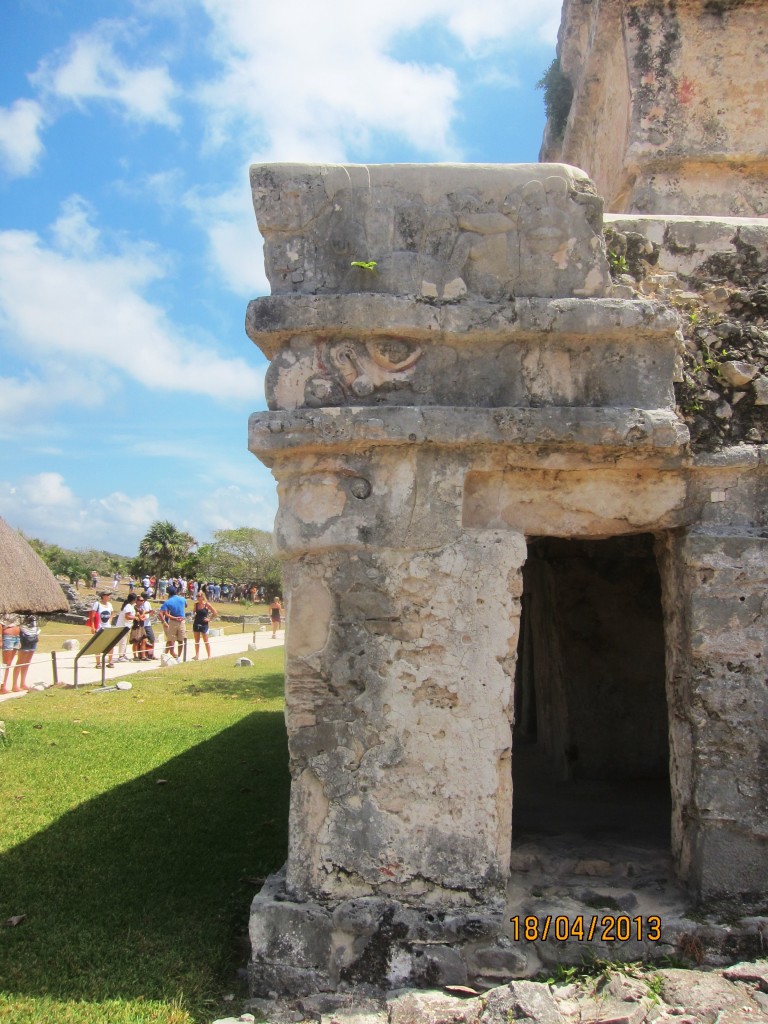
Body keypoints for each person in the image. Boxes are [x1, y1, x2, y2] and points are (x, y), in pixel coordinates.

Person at [159, 586, 187, 663]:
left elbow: (166, 614)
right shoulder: (182, 599)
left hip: (173, 621)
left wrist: (174, 618)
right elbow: (186, 605)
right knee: (181, 640)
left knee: (171, 639)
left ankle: (167, 654)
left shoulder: (168, 602)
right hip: (182, 621)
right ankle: (179, 656)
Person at [13, 615, 41, 691]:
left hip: (34, 636)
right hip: (24, 636)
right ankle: (14, 685)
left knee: (27, 662)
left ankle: (22, 683)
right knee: (20, 661)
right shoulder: (22, 613)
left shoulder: (36, 612)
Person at [90, 591, 115, 668]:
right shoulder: (97, 604)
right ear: (103, 596)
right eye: (108, 595)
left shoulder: (110, 605)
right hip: (99, 627)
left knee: (111, 645)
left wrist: (110, 621)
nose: (109, 597)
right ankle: (98, 663)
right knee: (98, 645)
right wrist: (93, 626)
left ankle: (110, 661)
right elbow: (92, 616)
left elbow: (112, 613)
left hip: (108, 627)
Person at [1, 611, 23, 693]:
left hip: (16, 637)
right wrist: (0, 639)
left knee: (10, 662)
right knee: (6, 663)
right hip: (8, 637)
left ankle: (9, 686)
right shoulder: (4, 610)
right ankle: (2, 686)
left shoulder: (16, 611)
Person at [192, 592, 217, 659]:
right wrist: (193, 615)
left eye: (199, 596)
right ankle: (197, 655)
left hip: (204, 624)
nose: (197, 597)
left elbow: (215, 612)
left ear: (202, 597)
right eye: (196, 596)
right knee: (197, 641)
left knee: (206, 640)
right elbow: (194, 611)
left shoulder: (207, 604)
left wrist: (209, 618)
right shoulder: (196, 605)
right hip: (196, 622)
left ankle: (209, 655)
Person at [114, 593, 137, 662]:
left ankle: (123, 654)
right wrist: (135, 618)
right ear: (134, 599)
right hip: (123, 626)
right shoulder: (128, 606)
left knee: (125, 641)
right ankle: (121, 656)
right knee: (123, 641)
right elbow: (127, 616)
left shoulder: (130, 606)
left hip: (127, 626)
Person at [134, 594, 156, 659]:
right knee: (139, 641)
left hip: (147, 624)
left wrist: (152, 612)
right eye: (142, 600)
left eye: (144, 600)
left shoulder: (148, 603)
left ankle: (151, 654)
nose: (143, 601)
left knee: (152, 639)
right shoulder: (136, 606)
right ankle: (140, 655)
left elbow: (150, 613)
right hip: (140, 625)